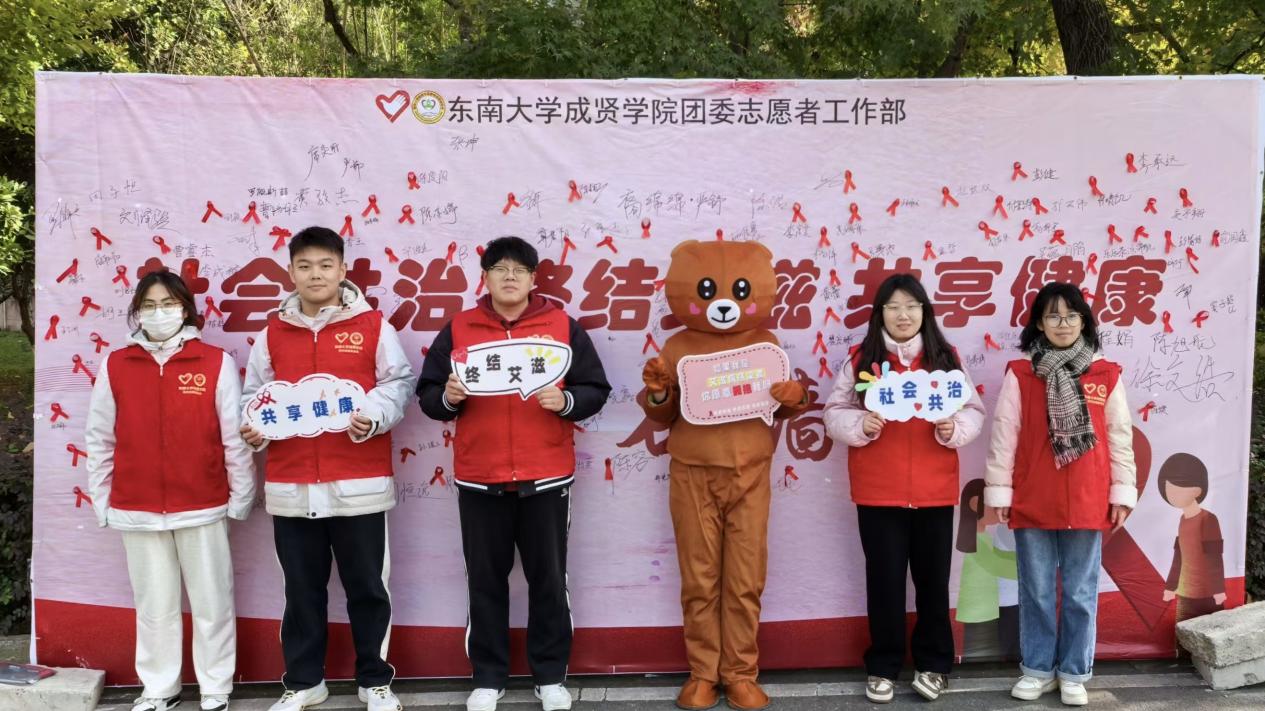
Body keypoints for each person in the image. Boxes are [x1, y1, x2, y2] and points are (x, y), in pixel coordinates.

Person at [416, 236, 610, 711]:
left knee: (549, 579)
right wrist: (448, 398)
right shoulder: (459, 329)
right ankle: (488, 677)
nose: (509, 277)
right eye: (499, 268)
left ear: (533, 279)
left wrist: (566, 401)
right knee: (485, 581)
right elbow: (428, 395)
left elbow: (595, 388)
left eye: (519, 270)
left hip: (547, 475)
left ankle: (550, 676)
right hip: (479, 477)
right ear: (484, 277)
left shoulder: (562, 327)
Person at [240, 226, 414, 711]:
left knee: (368, 589)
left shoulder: (373, 326)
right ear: (290, 272)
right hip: (292, 487)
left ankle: (374, 681)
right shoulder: (272, 333)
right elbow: (255, 395)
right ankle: (303, 683)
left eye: (324, 265)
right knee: (301, 592)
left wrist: (373, 415)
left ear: (342, 269)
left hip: (359, 485)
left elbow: (398, 382)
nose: (315, 274)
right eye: (304, 266)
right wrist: (254, 427)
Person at [85, 270, 255, 711]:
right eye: (149, 305)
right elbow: (99, 437)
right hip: (136, 506)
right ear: (137, 312)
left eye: (168, 304)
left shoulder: (214, 362)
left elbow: (234, 438)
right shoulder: (116, 364)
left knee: (212, 601)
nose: (158, 313)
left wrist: (240, 497)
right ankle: (160, 687)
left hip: (203, 503)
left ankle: (215, 686)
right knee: (154, 605)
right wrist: (102, 500)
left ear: (185, 310)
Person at [823, 273, 984, 703]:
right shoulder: (862, 359)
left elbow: (973, 409)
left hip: (934, 491)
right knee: (885, 581)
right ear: (880, 314)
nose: (903, 315)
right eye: (893, 307)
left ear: (924, 312)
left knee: (933, 582)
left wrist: (955, 429)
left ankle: (934, 665)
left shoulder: (945, 358)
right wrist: (859, 424)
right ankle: (883, 666)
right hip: (878, 491)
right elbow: (834, 411)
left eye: (912, 307)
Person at [984, 281, 1137, 707]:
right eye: (1053, 315)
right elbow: (1005, 436)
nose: (1063, 323)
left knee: (1080, 593)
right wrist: (1001, 492)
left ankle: (1073, 672)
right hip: (1033, 497)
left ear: (1084, 322)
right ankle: (1036, 670)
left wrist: (1122, 493)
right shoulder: (1021, 374)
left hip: (1088, 500)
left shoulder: (1106, 374)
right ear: (1039, 323)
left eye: (1071, 315)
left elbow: (1119, 437)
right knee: (1035, 591)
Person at [1158, 453, 1227, 621]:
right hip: (1185, 594)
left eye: (1177, 489)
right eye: (1168, 489)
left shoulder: (1208, 519)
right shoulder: (1182, 520)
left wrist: (1218, 591)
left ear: (1197, 490)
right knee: (1182, 632)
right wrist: (1171, 587)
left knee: (1211, 632)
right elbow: (1179, 557)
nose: (1171, 494)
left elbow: (1214, 557)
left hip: (1207, 595)